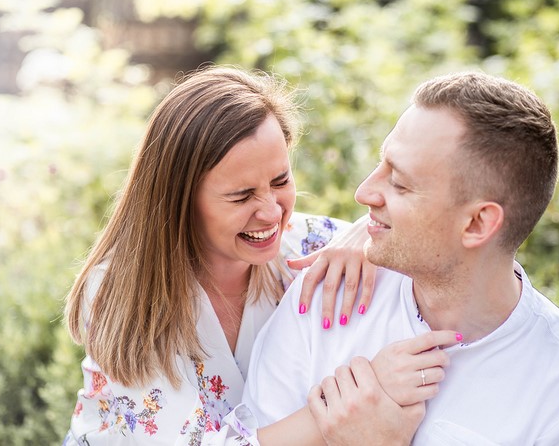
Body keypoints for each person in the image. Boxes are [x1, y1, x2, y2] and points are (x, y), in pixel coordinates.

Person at [236, 72, 559, 445]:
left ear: (477, 223)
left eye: (399, 183)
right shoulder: (329, 293)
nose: (364, 192)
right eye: (380, 165)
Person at [62, 65, 408, 445]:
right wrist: (340, 411)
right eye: (241, 196)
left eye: (281, 181)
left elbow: (431, 242)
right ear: (180, 201)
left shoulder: (312, 247)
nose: (272, 213)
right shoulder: (122, 292)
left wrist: (367, 232)